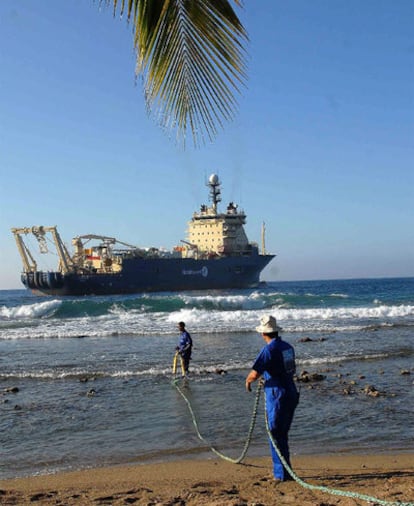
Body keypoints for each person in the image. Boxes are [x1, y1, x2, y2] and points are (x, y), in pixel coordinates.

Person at [245, 315, 299, 482]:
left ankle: (281, 474)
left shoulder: (268, 350)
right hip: (290, 390)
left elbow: (255, 372)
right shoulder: (287, 347)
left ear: (264, 334)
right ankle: (285, 470)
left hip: (277, 393)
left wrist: (248, 381)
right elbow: (291, 368)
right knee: (282, 433)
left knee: (275, 433)